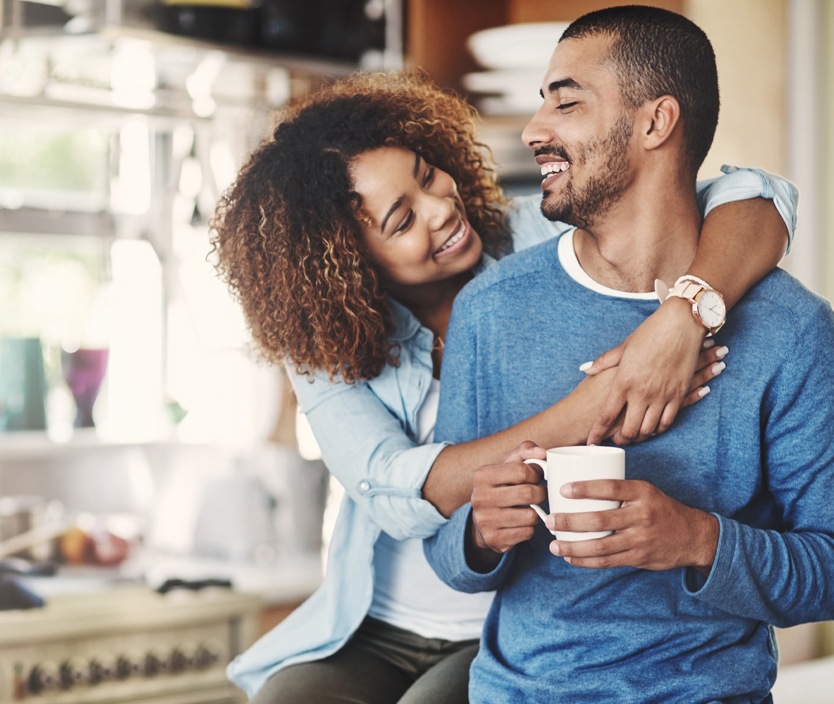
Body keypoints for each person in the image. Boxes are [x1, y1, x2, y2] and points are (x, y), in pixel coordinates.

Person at [210, 71, 799, 703]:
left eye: (428, 173)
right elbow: (393, 485)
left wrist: (684, 315)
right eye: (403, 219)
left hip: (505, 624)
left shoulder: (540, 235)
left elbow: (756, 197)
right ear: (349, 263)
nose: (442, 208)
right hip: (376, 623)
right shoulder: (324, 342)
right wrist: (600, 400)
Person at [424, 7, 834, 703]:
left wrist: (696, 539)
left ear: (656, 122)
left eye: (566, 102)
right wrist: (479, 533)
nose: (533, 130)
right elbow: (448, 551)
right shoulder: (492, 310)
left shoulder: (793, 331)